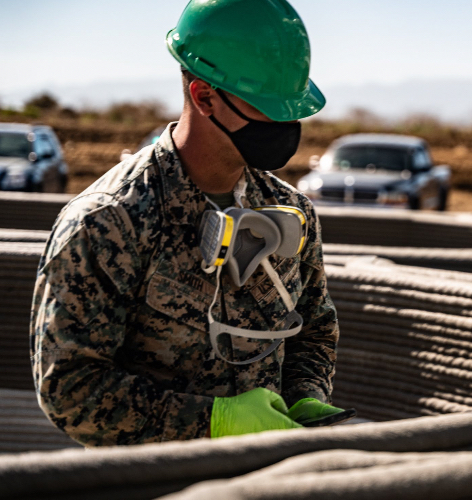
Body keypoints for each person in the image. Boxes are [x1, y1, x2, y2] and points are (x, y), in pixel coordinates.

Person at [30, 0, 350, 447]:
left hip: (264, 476)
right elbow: (69, 388)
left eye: (290, 109)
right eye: (267, 107)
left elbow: (313, 331)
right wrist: (211, 421)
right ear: (203, 97)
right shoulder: (109, 220)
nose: (285, 124)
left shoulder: (291, 211)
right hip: (153, 483)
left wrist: (304, 397)